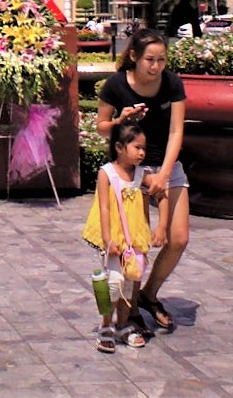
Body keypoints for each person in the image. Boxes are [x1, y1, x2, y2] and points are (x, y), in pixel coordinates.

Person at [95, 28, 187, 333]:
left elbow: (176, 131)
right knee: (138, 243)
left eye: (161, 59)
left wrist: (164, 173)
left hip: (166, 166)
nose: (156, 66)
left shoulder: (172, 83)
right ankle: (130, 311)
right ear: (134, 56)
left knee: (178, 239)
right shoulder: (116, 86)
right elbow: (101, 128)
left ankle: (149, 294)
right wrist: (121, 120)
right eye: (150, 59)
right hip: (131, 172)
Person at [81, 121, 164, 352]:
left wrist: (162, 226)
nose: (142, 152)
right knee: (114, 282)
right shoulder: (106, 173)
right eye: (137, 147)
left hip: (134, 240)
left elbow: (162, 192)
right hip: (114, 240)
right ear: (119, 147)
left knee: (130, 284)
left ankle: (124, 323)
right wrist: (108, 239)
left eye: (144, 148)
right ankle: (106, 325)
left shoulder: (141, 175)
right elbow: (104, 207)